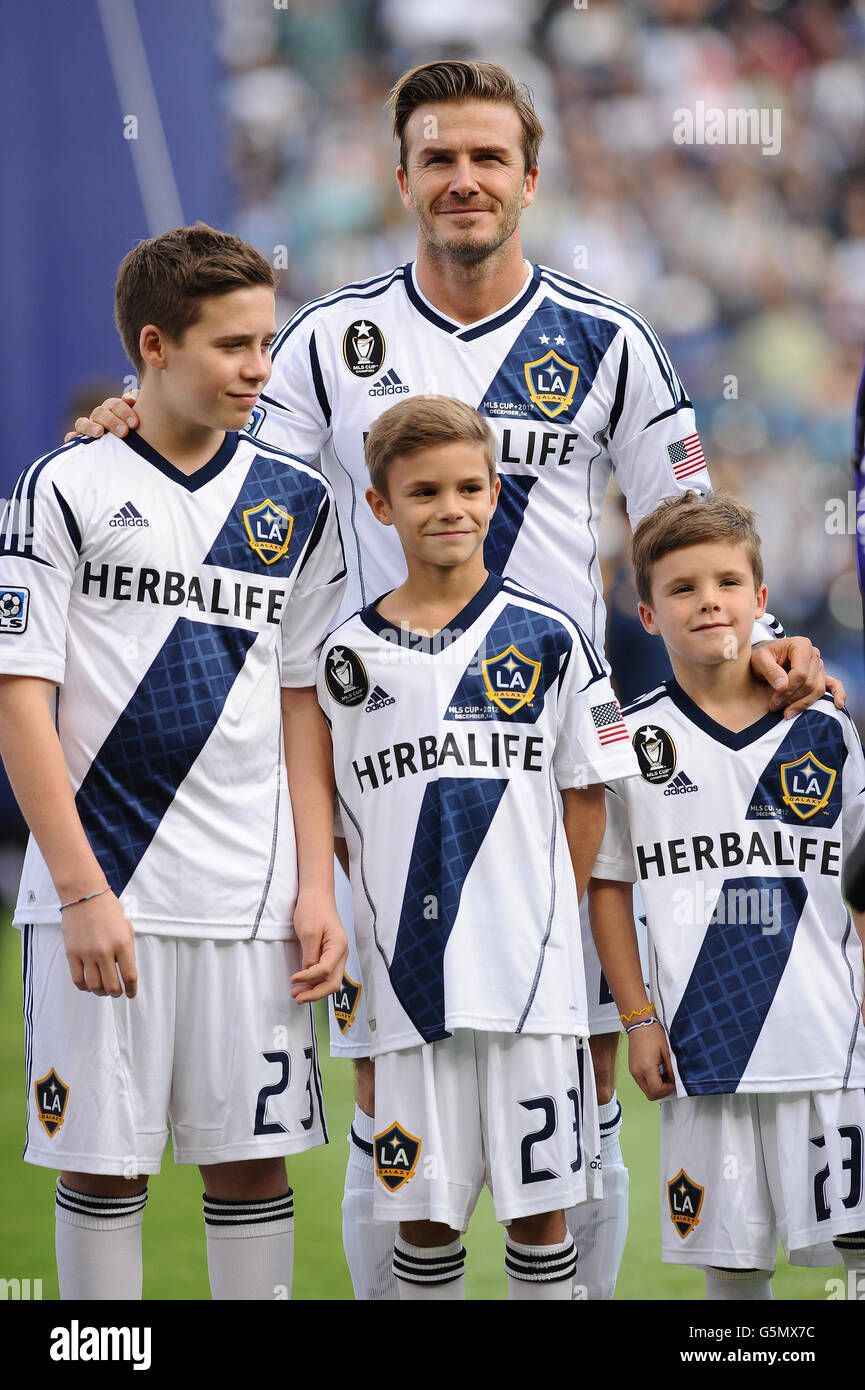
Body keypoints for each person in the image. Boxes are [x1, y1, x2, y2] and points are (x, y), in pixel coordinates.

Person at [70, 60, 838, 1302]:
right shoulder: (328, 343)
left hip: (556, 774)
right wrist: (129, 415)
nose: (464, 179)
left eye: (487, 158)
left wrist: (764, 639)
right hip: (384, 768)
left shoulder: (608, 341)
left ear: (530, 179)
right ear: (401, 179)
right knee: (393, 1077)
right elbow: (223, 467)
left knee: (580, 1081)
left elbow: (687, 521)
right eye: (438, 158)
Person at [0, 223, 348, 1300]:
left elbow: (301, 706)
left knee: (250, 1165)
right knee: (102, 1165)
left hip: (251, 903)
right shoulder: (61, 486)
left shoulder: (297, 503)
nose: (259, 368)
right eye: (233, 345)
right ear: (155, 345)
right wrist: (79, 890)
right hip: (103, 897)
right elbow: (21, 698)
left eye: (267, 342)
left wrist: (317, 882)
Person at [318, 394, 640, 1299]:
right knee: (424, 1215)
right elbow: (343, 823)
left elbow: (589, 800)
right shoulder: (345, 656)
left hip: (529, 979)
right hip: (406, 977)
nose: (449, 508)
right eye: (422, 492)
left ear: (496, 493)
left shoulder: (554, 637)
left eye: (468, 487)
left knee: (539, 1213)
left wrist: (541, 915)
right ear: (380, 506)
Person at [588, 490, 865, 1299]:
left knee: (857, 1252)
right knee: (733, 1269)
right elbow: (607, 887)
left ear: (761, 602)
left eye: (725, 583)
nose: (708, 601)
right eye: (681, 588)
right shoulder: (632, 743)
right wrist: (638, 1020)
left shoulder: (824, 729)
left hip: (830, 1042)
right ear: (645, 614)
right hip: (703, 1047)